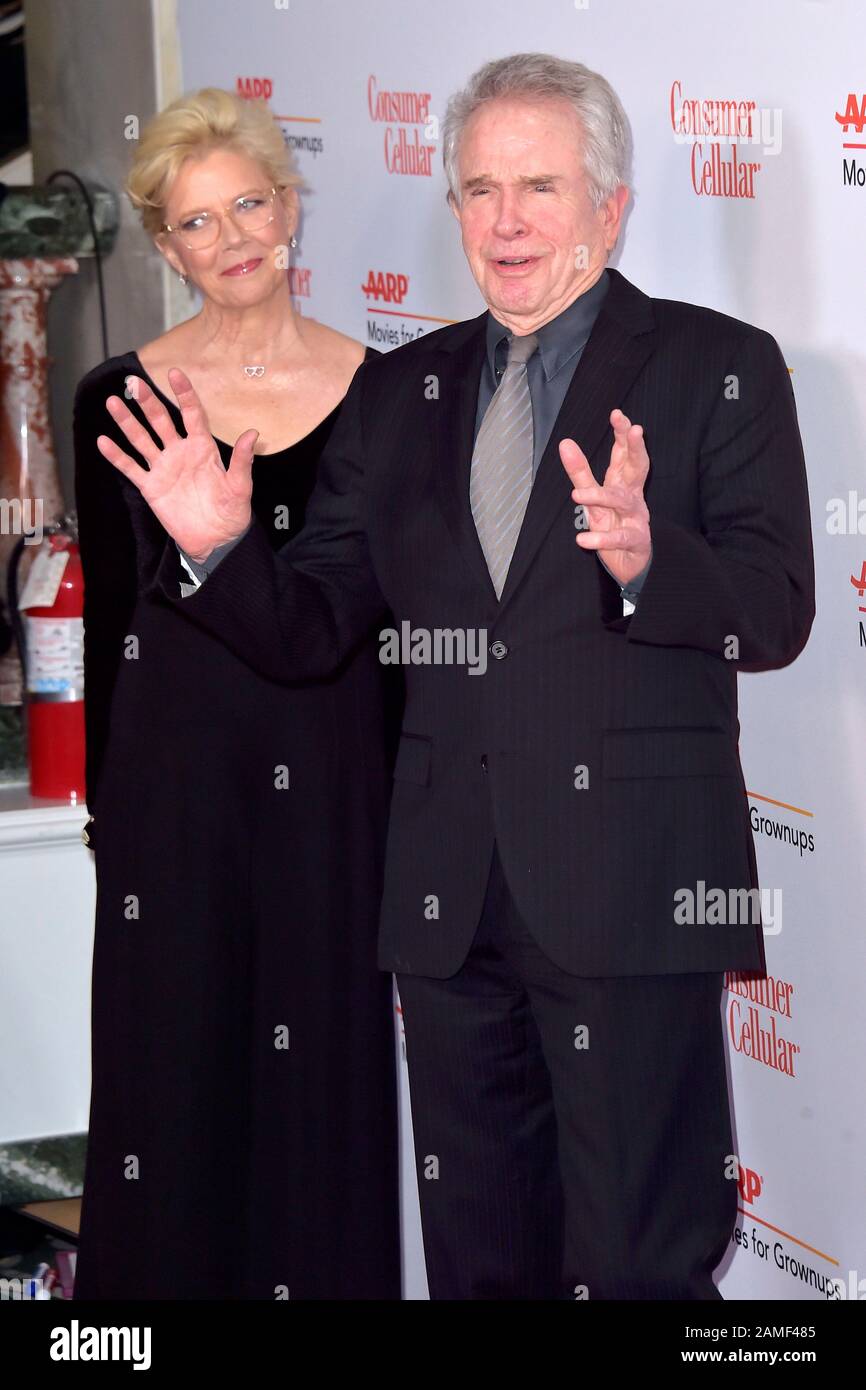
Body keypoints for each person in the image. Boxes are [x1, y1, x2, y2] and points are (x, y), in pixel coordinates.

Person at [96, 55, 815, 1300]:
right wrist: (216, 550)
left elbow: (778, 612)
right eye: (478, 190)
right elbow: (313, 630)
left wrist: (650, 562)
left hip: (630, 893)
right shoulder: (399, 394)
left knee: (636, 1263)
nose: (505, 221)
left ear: (609, 204)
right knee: (484, 1265)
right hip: (444, 905)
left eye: (538, 185)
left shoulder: (718, 366)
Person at [72, 87, 401, 1300]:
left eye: (248, 203)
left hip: (328, 792)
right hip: (174, 796)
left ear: (290, 205)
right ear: (166, 250)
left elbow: (372, 630)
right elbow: (116, 629)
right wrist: (116, 813)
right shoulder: (117, 396)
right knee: (172, 1093)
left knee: (315, 1097)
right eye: (198, 223)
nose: (233, 238)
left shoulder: (388, 396)